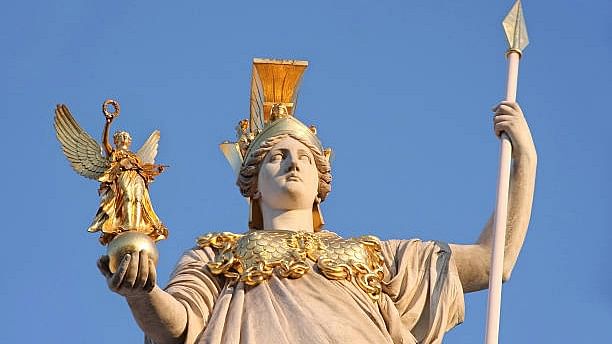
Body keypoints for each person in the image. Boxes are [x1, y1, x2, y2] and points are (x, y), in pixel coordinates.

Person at [97, 99, 536, 344]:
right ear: (252, 184)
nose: (292, 164)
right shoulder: (217, 254)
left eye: (305, 157)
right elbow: (178, 327)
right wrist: (143, 294)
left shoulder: (375, 257)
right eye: (276, 157)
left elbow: (492, 261)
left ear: (321, 179)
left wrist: (525, 162)